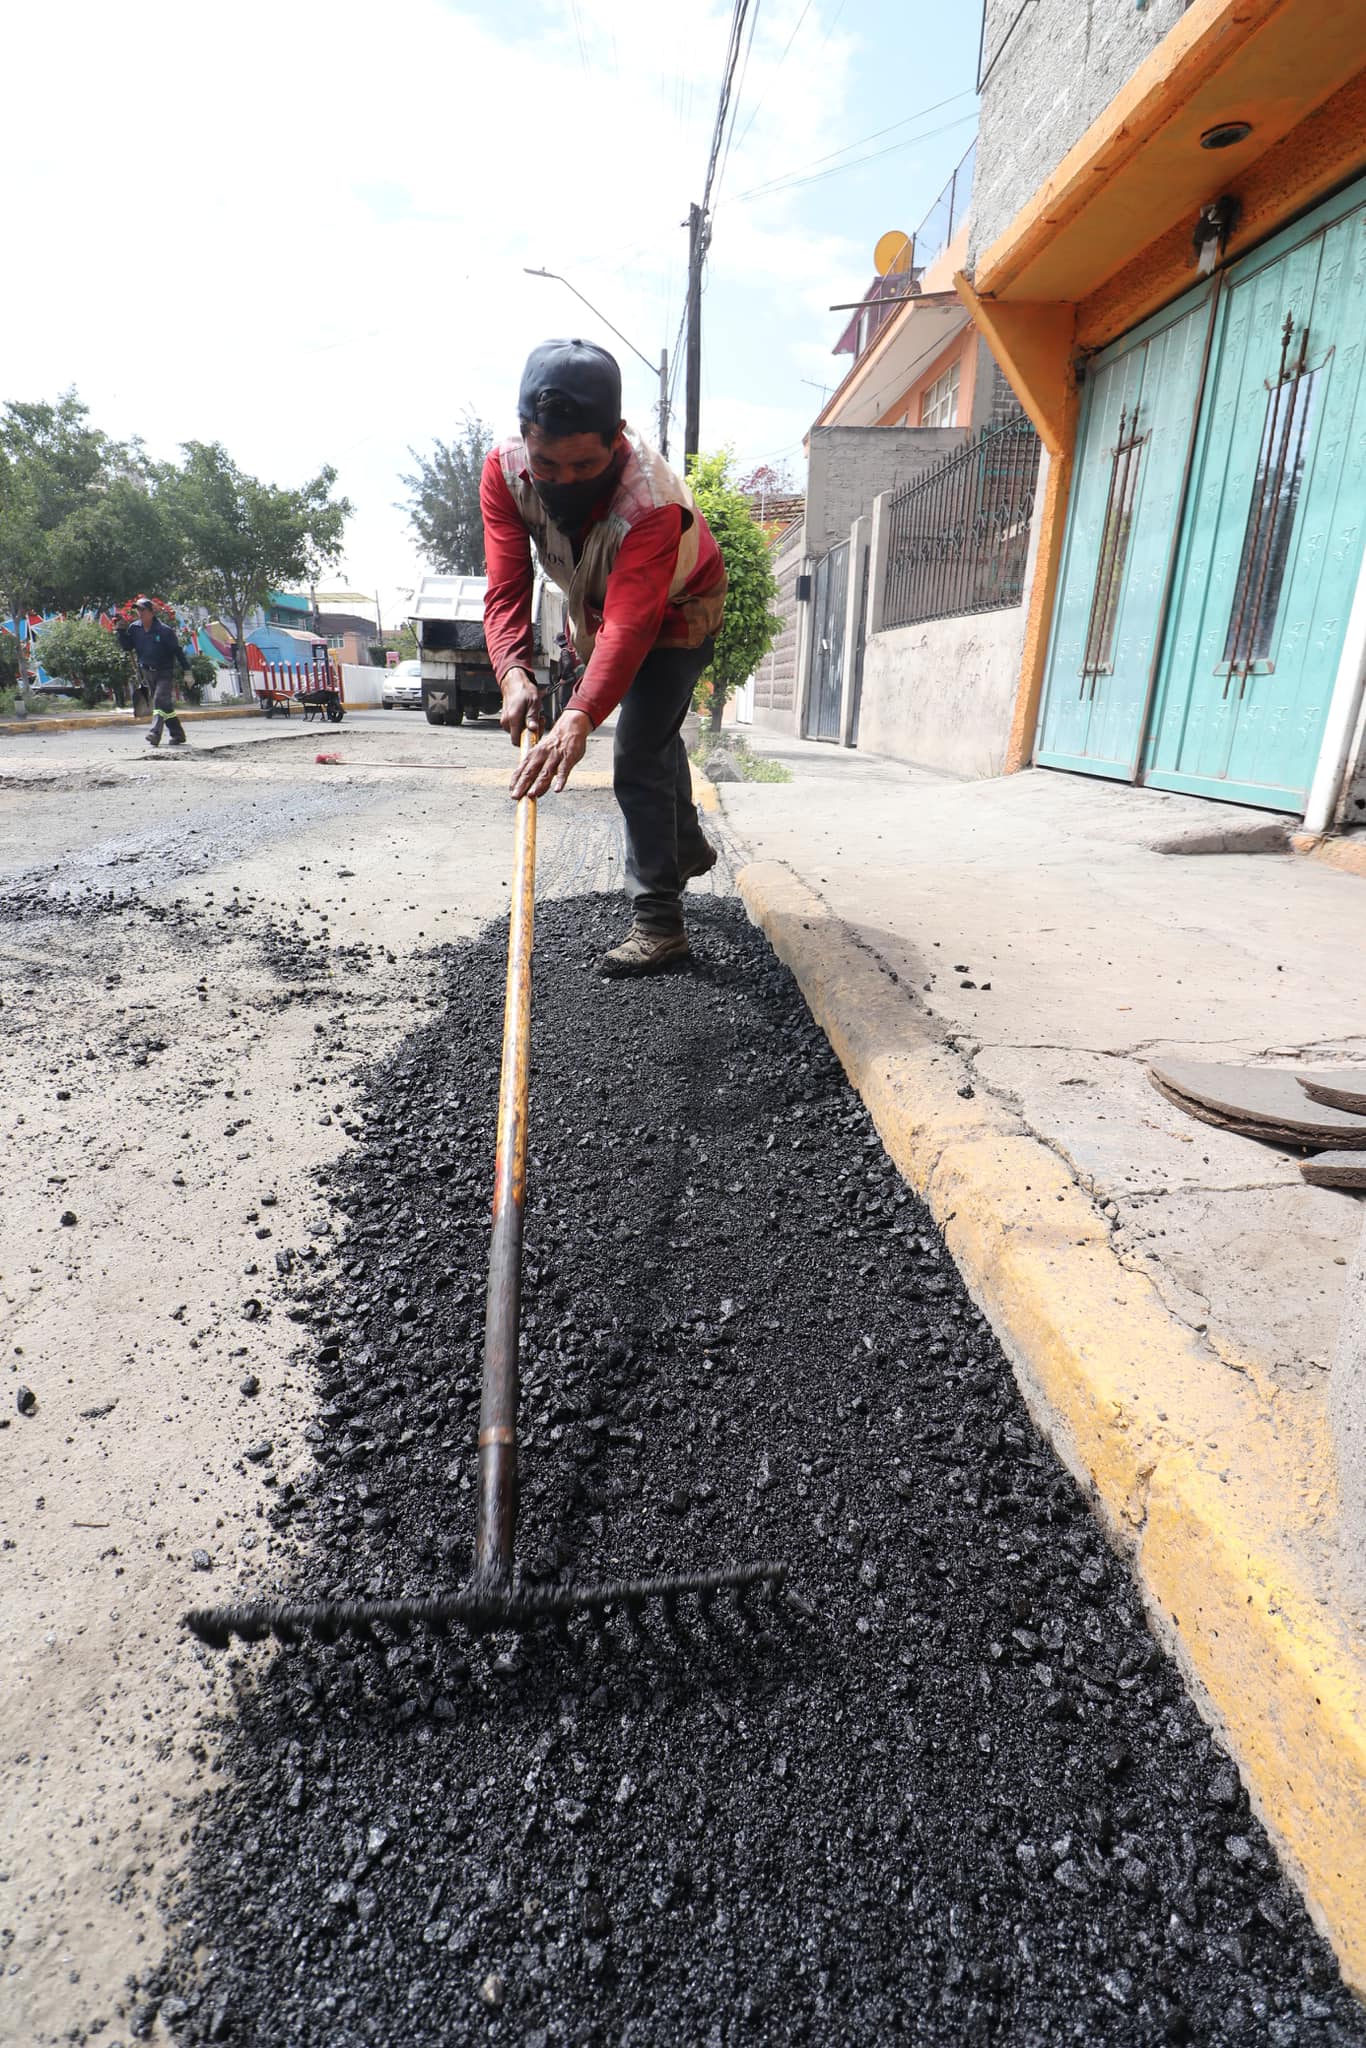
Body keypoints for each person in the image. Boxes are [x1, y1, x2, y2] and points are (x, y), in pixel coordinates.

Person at [480, 339, 727, 976]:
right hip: (599, 602)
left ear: (616, 438)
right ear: (525, 437)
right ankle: (686, 844)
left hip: (680, 604)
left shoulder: (651, 504)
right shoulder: (504, 474)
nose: (562, 482)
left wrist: (580, 716)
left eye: (581, 466)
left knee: (638, 747)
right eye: (547, 464)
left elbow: (633, 623)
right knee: (656, 730)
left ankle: (659, 926)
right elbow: (506, 585)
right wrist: (511, 671)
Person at [116, 598, 191, 748]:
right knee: (165, 706)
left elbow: (177, 651)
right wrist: (121, 631)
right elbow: (127, 647)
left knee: (158, 701)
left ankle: (155, 733)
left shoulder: (164, 631)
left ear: (151, 612)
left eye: (143, 609)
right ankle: (178, 734)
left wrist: (187, 671)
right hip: (147, 672)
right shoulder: (135, 629)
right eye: (138, 610)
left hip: (164, 671)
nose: (140, 613)